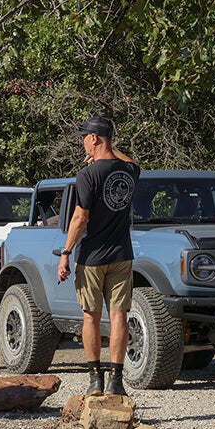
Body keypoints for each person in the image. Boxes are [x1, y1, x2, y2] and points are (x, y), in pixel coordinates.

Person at [57, 116, 140, 396]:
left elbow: (80, 217)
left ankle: (95, 380)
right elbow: (133, 162)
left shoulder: (88, 175)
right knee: (119, 316)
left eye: (85, 138)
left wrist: (66, 252)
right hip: (122, 253)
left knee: (90, 317)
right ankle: (117, 381)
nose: (83, 143)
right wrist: (109, 150)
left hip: (92, 256)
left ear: (94, 138)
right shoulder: (128, 171)